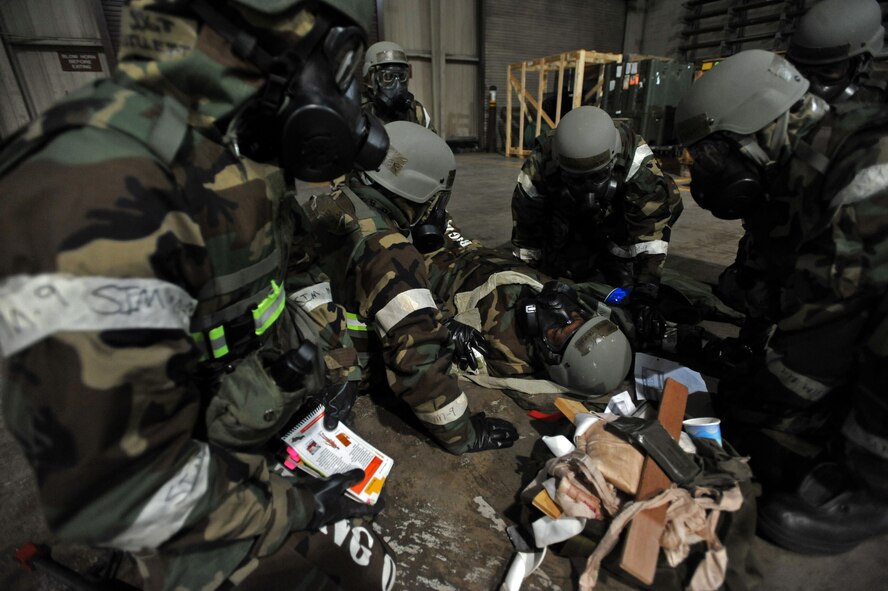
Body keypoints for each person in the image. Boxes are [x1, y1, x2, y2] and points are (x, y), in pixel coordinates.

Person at [0, 1, 398, 590]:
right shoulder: (90, 184)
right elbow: (121, 489)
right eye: (314, 45)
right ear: (233, 33)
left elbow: (267, 279)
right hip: (169, 479)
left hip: (243, 417)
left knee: (369, 559)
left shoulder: (228, 142)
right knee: (363, 578)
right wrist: (293, 509)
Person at [675, 48, 888, 554]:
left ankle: (872, 485)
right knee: (752, 424)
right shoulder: (794, 163)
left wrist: (764, 392)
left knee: (767, 440)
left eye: (712, 154)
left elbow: (826, 318)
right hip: (842, 310)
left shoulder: (867, 172)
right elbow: (773, 263)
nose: (706, 172)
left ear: (761, 124)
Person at [290, 120, 518, 455]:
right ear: (421, 194)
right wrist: (463, 433)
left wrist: (436, 317)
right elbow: (418, 359)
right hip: (330, 363)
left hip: (297, 334)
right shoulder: (390, 250)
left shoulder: (331, 203)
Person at [510, 105, 683, 348]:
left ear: (613, 159)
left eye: (596, 177)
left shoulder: (637, 162)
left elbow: (651, 234)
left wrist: (646, 292)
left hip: (620, 211)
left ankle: (617, 254)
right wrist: (527, 282)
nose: (587, 188)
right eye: (577, 180)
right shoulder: (539, 165)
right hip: (566, 213)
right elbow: (526, 232)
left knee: (670, 197)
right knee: (570, 270)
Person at [425, 218, 633, 412]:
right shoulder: (571, 302)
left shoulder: (504, 355)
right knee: (436, 212)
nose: (558, 310)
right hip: (479, 252)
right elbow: (605, 298)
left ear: (552, 357)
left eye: (559, 330)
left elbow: (414, 305)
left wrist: (444, 322)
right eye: (577, 318)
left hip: (436, 268)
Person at [786, 0, 886, 105]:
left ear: (862, 61)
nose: (809, 84)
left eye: (827, 70)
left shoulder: (881, 90)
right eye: (800, 68)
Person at [362, 40, 436, 131]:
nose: (397, 85)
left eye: (402, 76)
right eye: (388, 76)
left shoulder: (416, 112)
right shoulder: (358, 114)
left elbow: (433, 142)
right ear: (370, 79)